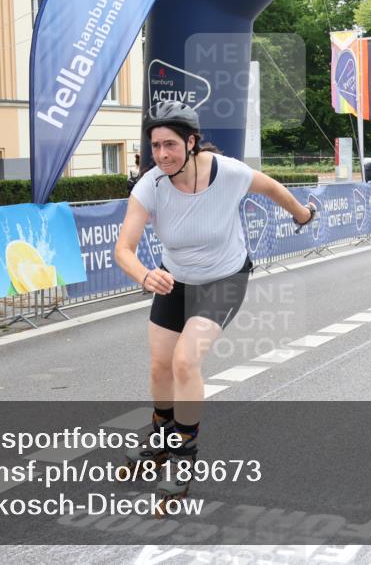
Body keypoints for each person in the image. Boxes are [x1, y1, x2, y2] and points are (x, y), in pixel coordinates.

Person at [114, 101, 316, 507]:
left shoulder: (228, 174)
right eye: (155, 146)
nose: (162, 155)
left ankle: (184, 460)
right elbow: (124, 249)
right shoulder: (150, 186)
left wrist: (302, 214)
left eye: (170, 144)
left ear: (192, 143)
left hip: (225, 278)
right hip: (174, 279)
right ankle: (160, 439)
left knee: (185, 362)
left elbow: (272, 187)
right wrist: (144, 274)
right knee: (159, 363)